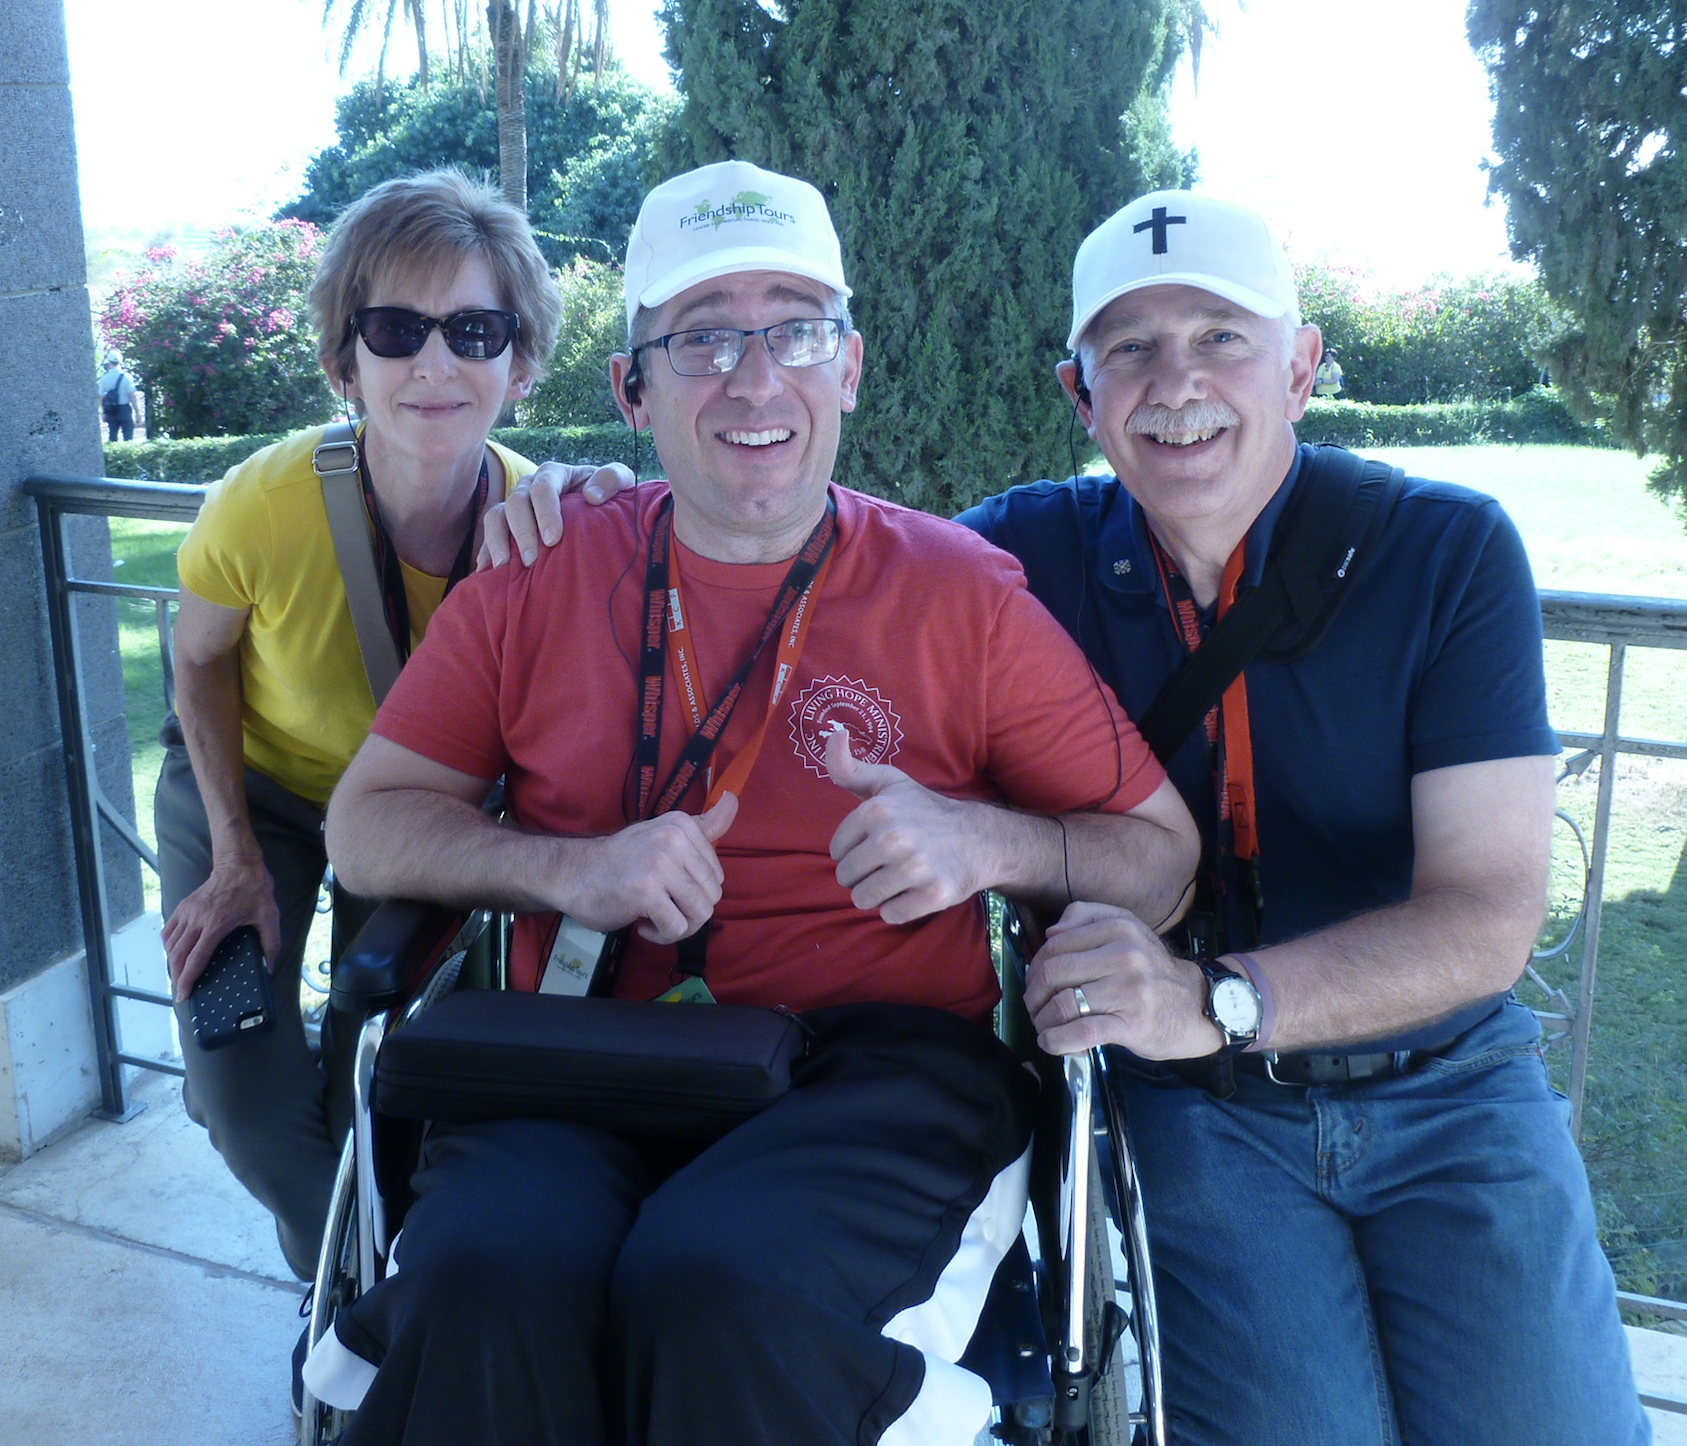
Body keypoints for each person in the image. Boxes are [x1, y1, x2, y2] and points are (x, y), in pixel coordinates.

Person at [318, 161, 1199, 1446]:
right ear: (632, 387)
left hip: (882, 1064)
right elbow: (365, 823)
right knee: (485, 1279)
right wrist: (563, 870)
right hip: (584, 1055)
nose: (753, 376)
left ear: (844, 365)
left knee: (719, 1287)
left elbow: (1159, 857)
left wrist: (985, 841)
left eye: (792, 328)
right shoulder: (538, 568)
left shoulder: (958, 591)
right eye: (702, 338)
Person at [955, 191, 1649, 1445]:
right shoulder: (1024, 555)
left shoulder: (1442, 553)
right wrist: (604, 514)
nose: (1176, 381)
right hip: (1204, 1110)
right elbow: (812, 555)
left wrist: (1208, 995)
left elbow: (1486, 912)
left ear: (1301, 365)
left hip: (1448, 1086)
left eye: (1220, 335)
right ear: (1080, 393)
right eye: (1129, 347)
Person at [157, 168, 622, 1285]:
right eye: (394, 328)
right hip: (251, 786)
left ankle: (350, 1322)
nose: (433, 363)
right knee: (243, 1094)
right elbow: (196, 661)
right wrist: (231, 855)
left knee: (385, 1083)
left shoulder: (543, 523)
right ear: (343, 359)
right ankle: (373, 1309)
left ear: (518, 365)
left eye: (472, 330)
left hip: (412, 810)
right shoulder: (258, 507)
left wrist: (620, 511)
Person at [98, 350, 137, 440]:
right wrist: (137, 412)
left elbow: (101, 396)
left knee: (112, 435)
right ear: (121, 362)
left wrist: (103, 412)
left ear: (109, 362)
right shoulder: (127, 377)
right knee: (128, 436)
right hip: (124, 408)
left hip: (110, 409)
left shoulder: (104, 377)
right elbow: (132, 396)